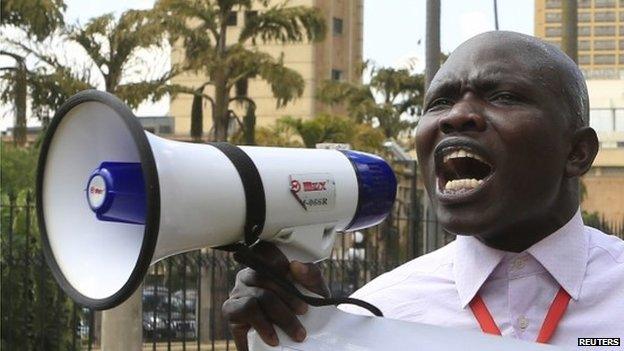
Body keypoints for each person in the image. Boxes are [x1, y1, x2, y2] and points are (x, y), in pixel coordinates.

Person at [222, 31, 624, 350]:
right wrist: (301, 338)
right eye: (440, 102)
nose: (456, 116)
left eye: (502, 97)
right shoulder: (378, 313)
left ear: (577, 152)